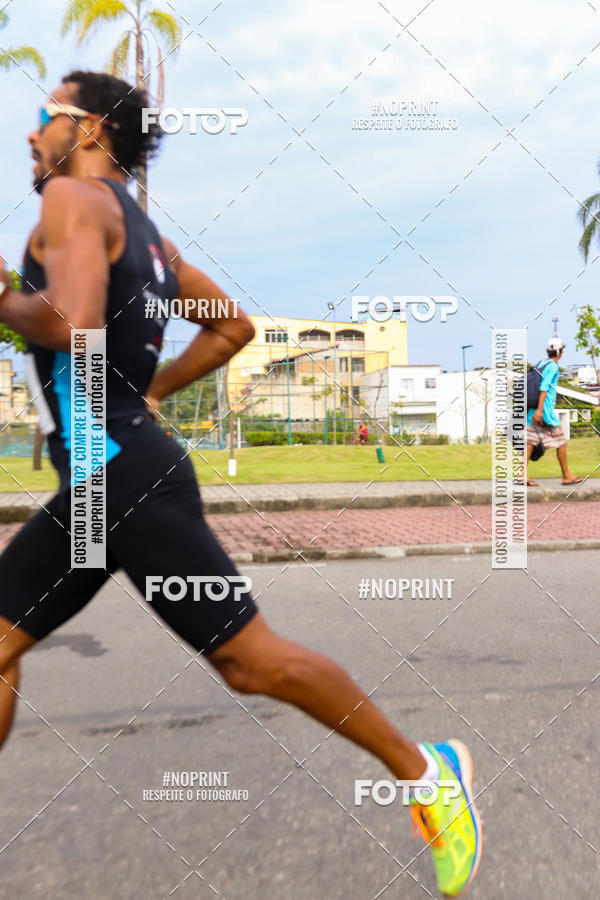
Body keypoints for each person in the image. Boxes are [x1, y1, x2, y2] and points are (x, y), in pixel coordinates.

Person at [0, 72, 481, 896]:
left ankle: (427, 771)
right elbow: (233, 327)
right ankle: (424, 771)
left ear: (86, 132)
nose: (30, 133)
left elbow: (72, 323)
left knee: (252, 660)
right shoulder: (148, 236)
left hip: (118, 480)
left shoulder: (72, 204)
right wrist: (147, 396)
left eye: (44, 116)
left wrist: (5, 300)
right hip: (120, 475)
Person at [526, 337, 583, 487]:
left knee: (530, 442)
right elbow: (544, 387)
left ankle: (522, 475)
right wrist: (540, 411)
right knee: (561, 442)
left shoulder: (540, 364)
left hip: (532, 411)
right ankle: (566, 475)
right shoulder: (553, 367)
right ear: (560, 352)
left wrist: (535, 411)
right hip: (544, 412)